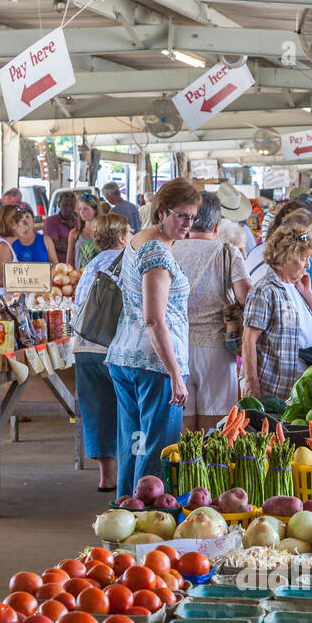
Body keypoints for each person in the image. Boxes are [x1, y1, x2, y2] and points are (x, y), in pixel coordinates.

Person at [106, 177, 199, 499]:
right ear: (162, 212)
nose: (188, 223)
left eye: (192, 217)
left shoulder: (139, 240)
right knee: (156, 448)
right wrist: (176, 374)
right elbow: (154, 318)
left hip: (125, 358)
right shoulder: (157, 254)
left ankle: (125, 506)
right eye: (181, 216)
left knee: (135, 441)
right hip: (154, 365)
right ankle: (148, 515)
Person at [172, 191, 251, 434]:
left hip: (175, 347)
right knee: (215, 421)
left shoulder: (170, 249)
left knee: (181, 420)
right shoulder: (227, 252)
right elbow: (246, 297)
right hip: (216, 349)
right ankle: (208, 469)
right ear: (217, 224)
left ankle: (183, 468)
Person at [72, 213, 131, 493]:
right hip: (116, 349)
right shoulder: (131, 263)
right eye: (129, 232)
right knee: (127, 409)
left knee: (96, 410)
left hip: (84, 348)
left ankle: (106, 476)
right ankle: (129, 475)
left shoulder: (89, 266)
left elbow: (78, 306)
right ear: (121, 237)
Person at [242, 213, 312, 403]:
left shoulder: (296, 287)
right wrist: (251, 383)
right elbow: (249, 339)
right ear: (286, 257)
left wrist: (308, 295)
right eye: (303, 259)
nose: (308, 265)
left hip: (298, 387)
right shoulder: (265, 290)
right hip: (274, 389)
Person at [67, 193, 105, 269]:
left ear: (95, 210)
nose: (82, 212)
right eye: (80, 209)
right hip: (80, 277)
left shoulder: (104, 232)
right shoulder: (75, 233)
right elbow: (69, 261)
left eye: (86, 209)